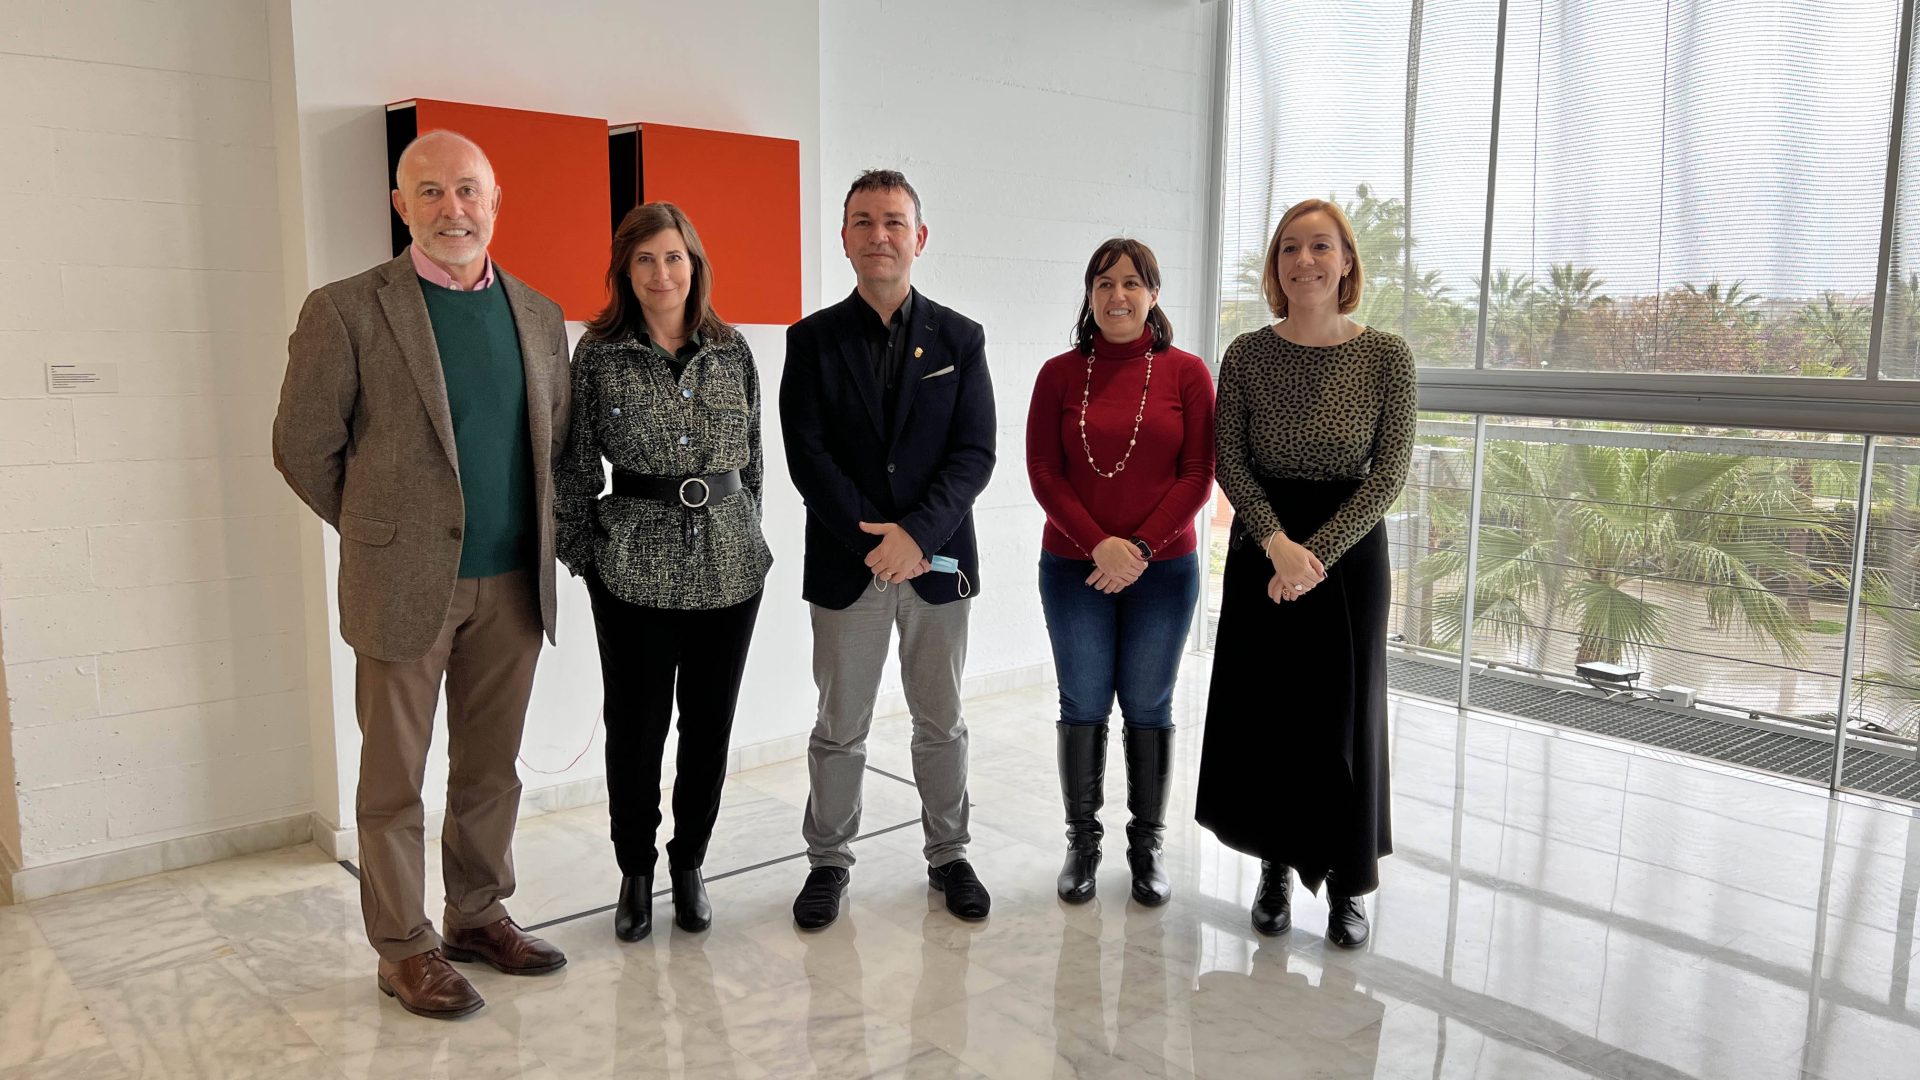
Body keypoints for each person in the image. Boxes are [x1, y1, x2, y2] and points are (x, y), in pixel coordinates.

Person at [272, 130, 570, 1018]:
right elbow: (301, 448)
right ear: (402, 206)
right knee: (394, 779)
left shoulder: (541, 315)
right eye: (431, 192)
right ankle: (403, 946)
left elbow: (554, 446)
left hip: (515, 582)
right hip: (405, 586)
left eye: (468, 191)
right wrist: (385, 536)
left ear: (495, 202)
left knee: (491, 768)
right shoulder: (347, 310)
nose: (453, 209)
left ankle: (477, 913)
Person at [1196, 198, 1416, 948]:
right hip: (1266, 547)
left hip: (1350, 559)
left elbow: (1388, 476)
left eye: (1321, 247)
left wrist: (1313, 555)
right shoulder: (1248, 354)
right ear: (1275, 265)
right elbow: (1231, 460)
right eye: (1290, 248)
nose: (1305, 261)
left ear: (1348, 260)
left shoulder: (1387, 355)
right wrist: (1277, 545)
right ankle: (1275, 866)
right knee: (1270, 714)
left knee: (1345, 717)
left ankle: (1350, 883)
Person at [780, 169, 996, 929]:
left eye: (894, 222)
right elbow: (807, 457)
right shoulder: (809, 341)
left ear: (919, 237)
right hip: (848, 565)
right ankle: (828, 863)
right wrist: (876, 543)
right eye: (864, 222)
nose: (880, 235)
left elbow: (974, 454)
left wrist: (916, 537)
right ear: (843, 238)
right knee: (841, 725)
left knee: (941, 720)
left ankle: (949, 854)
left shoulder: (960, 339)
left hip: (936, 565)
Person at [553, 202, 772, 942]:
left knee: (708, 727)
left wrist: (751, 535)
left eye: (674, 257)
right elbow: (577, 464)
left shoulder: (732, 349)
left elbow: (753, 459)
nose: (661, 273)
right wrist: (586, 557)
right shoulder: (599, 355)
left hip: (730, 569)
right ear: (624, 271)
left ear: (695, 265)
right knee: (638, 729)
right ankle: (636, 870)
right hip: (632, 570)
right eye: (645, 259)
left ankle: (689, 865)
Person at [1026, 238, 1215, 906]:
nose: (1117, 296)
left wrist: (1135, 548)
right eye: (1104, 283)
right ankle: (1082, 843)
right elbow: (1044, 474)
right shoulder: (1056, 375)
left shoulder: (1188, 374)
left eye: (1132, 283)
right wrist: (1097, 545)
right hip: (1073, 568)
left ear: (1154, 295)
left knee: (1148, 705)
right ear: (1088, 294)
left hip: (1164, 572)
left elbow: (1198, 475)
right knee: (1081, 702)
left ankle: (1146, 848)